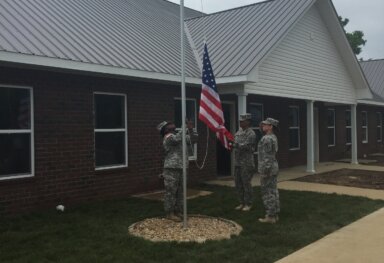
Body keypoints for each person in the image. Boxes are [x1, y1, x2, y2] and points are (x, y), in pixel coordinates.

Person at [157, 120, 197, 221]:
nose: (172, 124)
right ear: (165, 129)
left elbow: (193, 140)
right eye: (169, 125)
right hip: (171, 168)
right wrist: (185, 127)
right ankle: (169, 213)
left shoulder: (179, 135)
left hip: (182, 167)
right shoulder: (168, 137)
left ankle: (178, 211)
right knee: (171, 191)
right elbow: (176, 139)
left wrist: (191, 130)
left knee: (181, 191)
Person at [232, 113, 256, 212]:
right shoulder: (238, 132)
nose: (240, 122)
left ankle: (248, 203)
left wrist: (234, 144)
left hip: (246, 163)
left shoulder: (251, 133)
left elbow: (245, 146)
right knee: (238, 183)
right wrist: (231, 144)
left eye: (242, 121)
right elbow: (235, 144)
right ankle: (241, 202)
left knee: (246, 183)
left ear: (248, 122)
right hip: (237, 162)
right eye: (240, 121)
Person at [258, 117, 280, 223]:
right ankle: (274, 214)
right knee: (273, 191)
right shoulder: (273, 137)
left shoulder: (267, 139)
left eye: (265, 124)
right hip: (273, 168)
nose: (262, 126)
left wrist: (265, 171)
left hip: (268, 169)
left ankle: (270, 216)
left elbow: (267, 157)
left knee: (267, 192)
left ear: (270, 126)